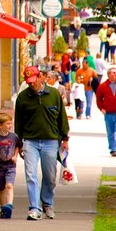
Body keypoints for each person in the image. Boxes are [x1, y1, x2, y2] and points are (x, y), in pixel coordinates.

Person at [14, 66, 70, 220]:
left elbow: (62, 118)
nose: (31, 84)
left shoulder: (54, 95)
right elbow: (18, 122)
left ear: (40, 77)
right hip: (30, 141)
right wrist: (19, 143)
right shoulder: (23, 97)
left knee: (50, 175)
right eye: (28, 82)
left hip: (50, 141)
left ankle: (47, 203)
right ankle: (34, 208)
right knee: (30, 174)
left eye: (33, 81)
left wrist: (65, 139)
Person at [0, 112, 20, 219]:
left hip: (11, 166)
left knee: (9, 186)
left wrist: (15, 156)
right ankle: (3, 208)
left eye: (11, 123)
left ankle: (9, 205)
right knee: (1, 189)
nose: (10, 126)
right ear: (0, 125)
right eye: (8, 124)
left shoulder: (14, 136)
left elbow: (18, 146)